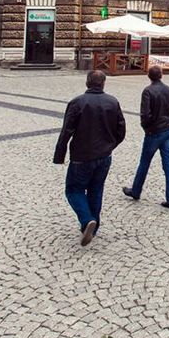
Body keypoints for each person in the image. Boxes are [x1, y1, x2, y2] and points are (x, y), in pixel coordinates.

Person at [53, 70, 126, 246]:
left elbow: (66, 131)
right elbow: (121, 130)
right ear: (103, 83)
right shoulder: (113, 102)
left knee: (73, 190)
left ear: (87, 82)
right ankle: (94, 226)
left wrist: (59, 155)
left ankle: (87, 220)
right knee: (96, 189)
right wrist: (109, 146)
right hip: (104, 156)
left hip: (82, 156)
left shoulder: (77, 102)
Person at [123, 66, 169, 209]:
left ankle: (136, 191)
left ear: (149, 76)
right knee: (168, 165)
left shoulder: (148, 91)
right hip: (168, 130)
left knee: (144, 162)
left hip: (154, 133)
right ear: (161, 75)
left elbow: (145, 114)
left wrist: (147, 127)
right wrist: (167, 119)